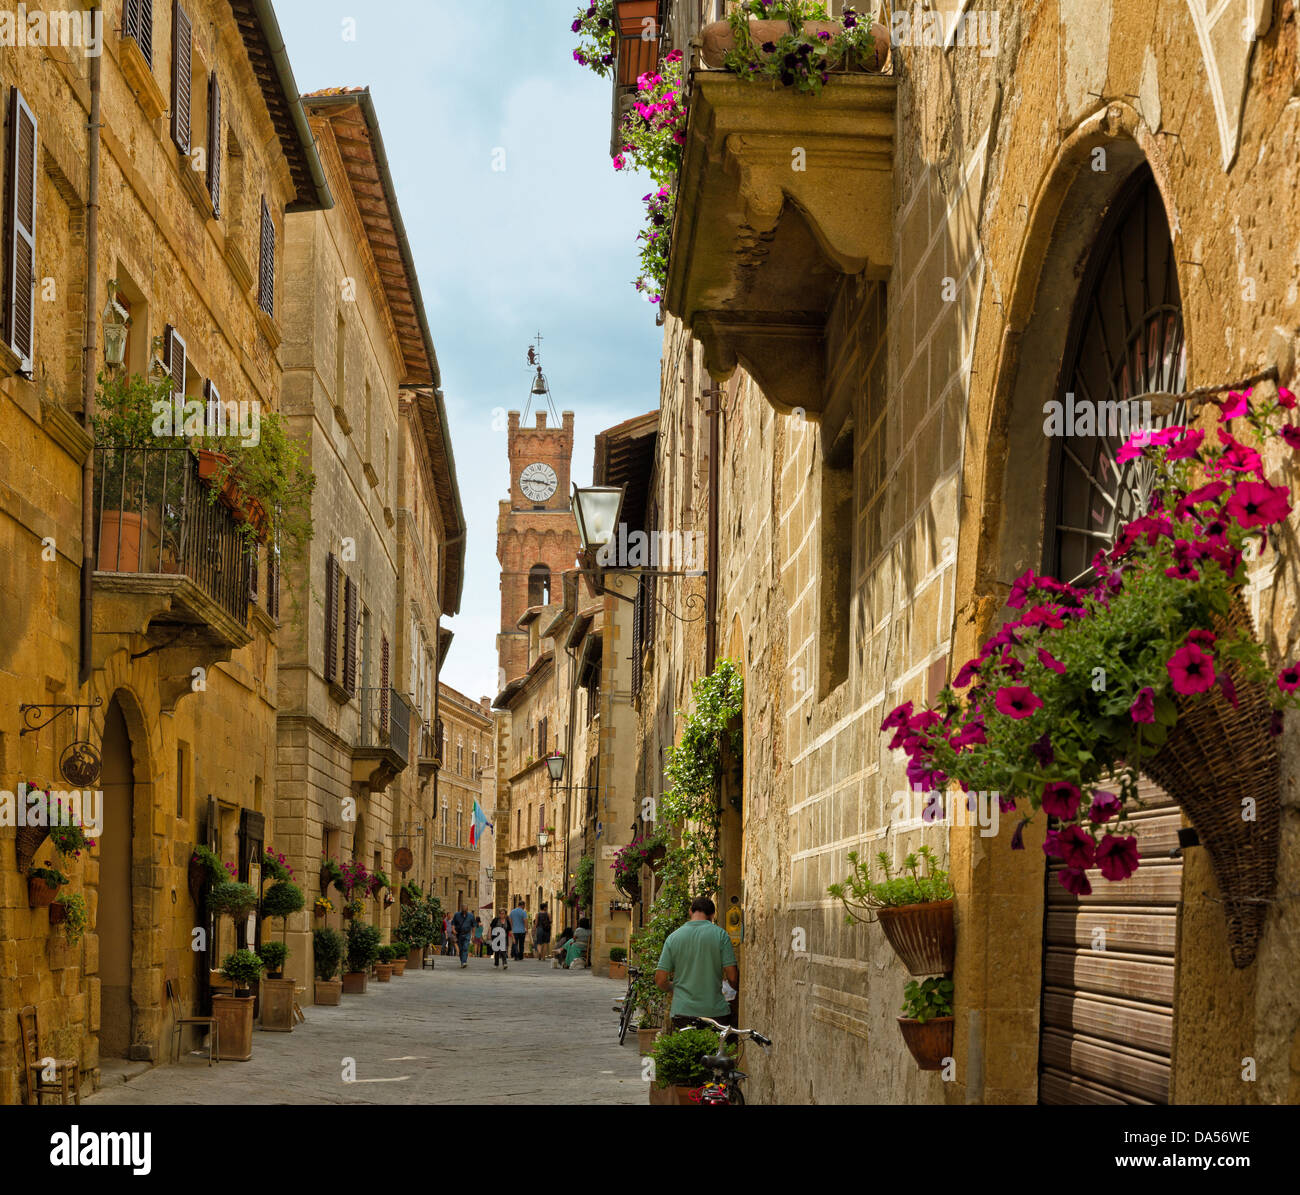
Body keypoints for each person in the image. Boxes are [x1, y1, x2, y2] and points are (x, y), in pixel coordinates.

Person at [655, 895, 738, 1028]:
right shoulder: (721, 935)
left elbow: (660, 980)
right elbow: (732, 976)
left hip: (682, 1012)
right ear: (712, 914)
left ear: (690, 911)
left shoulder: (673, 938)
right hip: (715, 1012)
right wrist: (733, 989)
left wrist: (673, 987)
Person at [451, 903, 475, 969]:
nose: (464, 910)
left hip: (467, 933)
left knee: (465, 947)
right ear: (461, 909)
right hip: (459, 934)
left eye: (465, 909)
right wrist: (453, 930)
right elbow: (453, 923)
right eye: (463, 909)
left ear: (467, 909)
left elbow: (473, 926)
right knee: (461, 949)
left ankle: (464, 962)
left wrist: (473, 935)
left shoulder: (471, 916)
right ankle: (462, 961)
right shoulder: (457, 915)